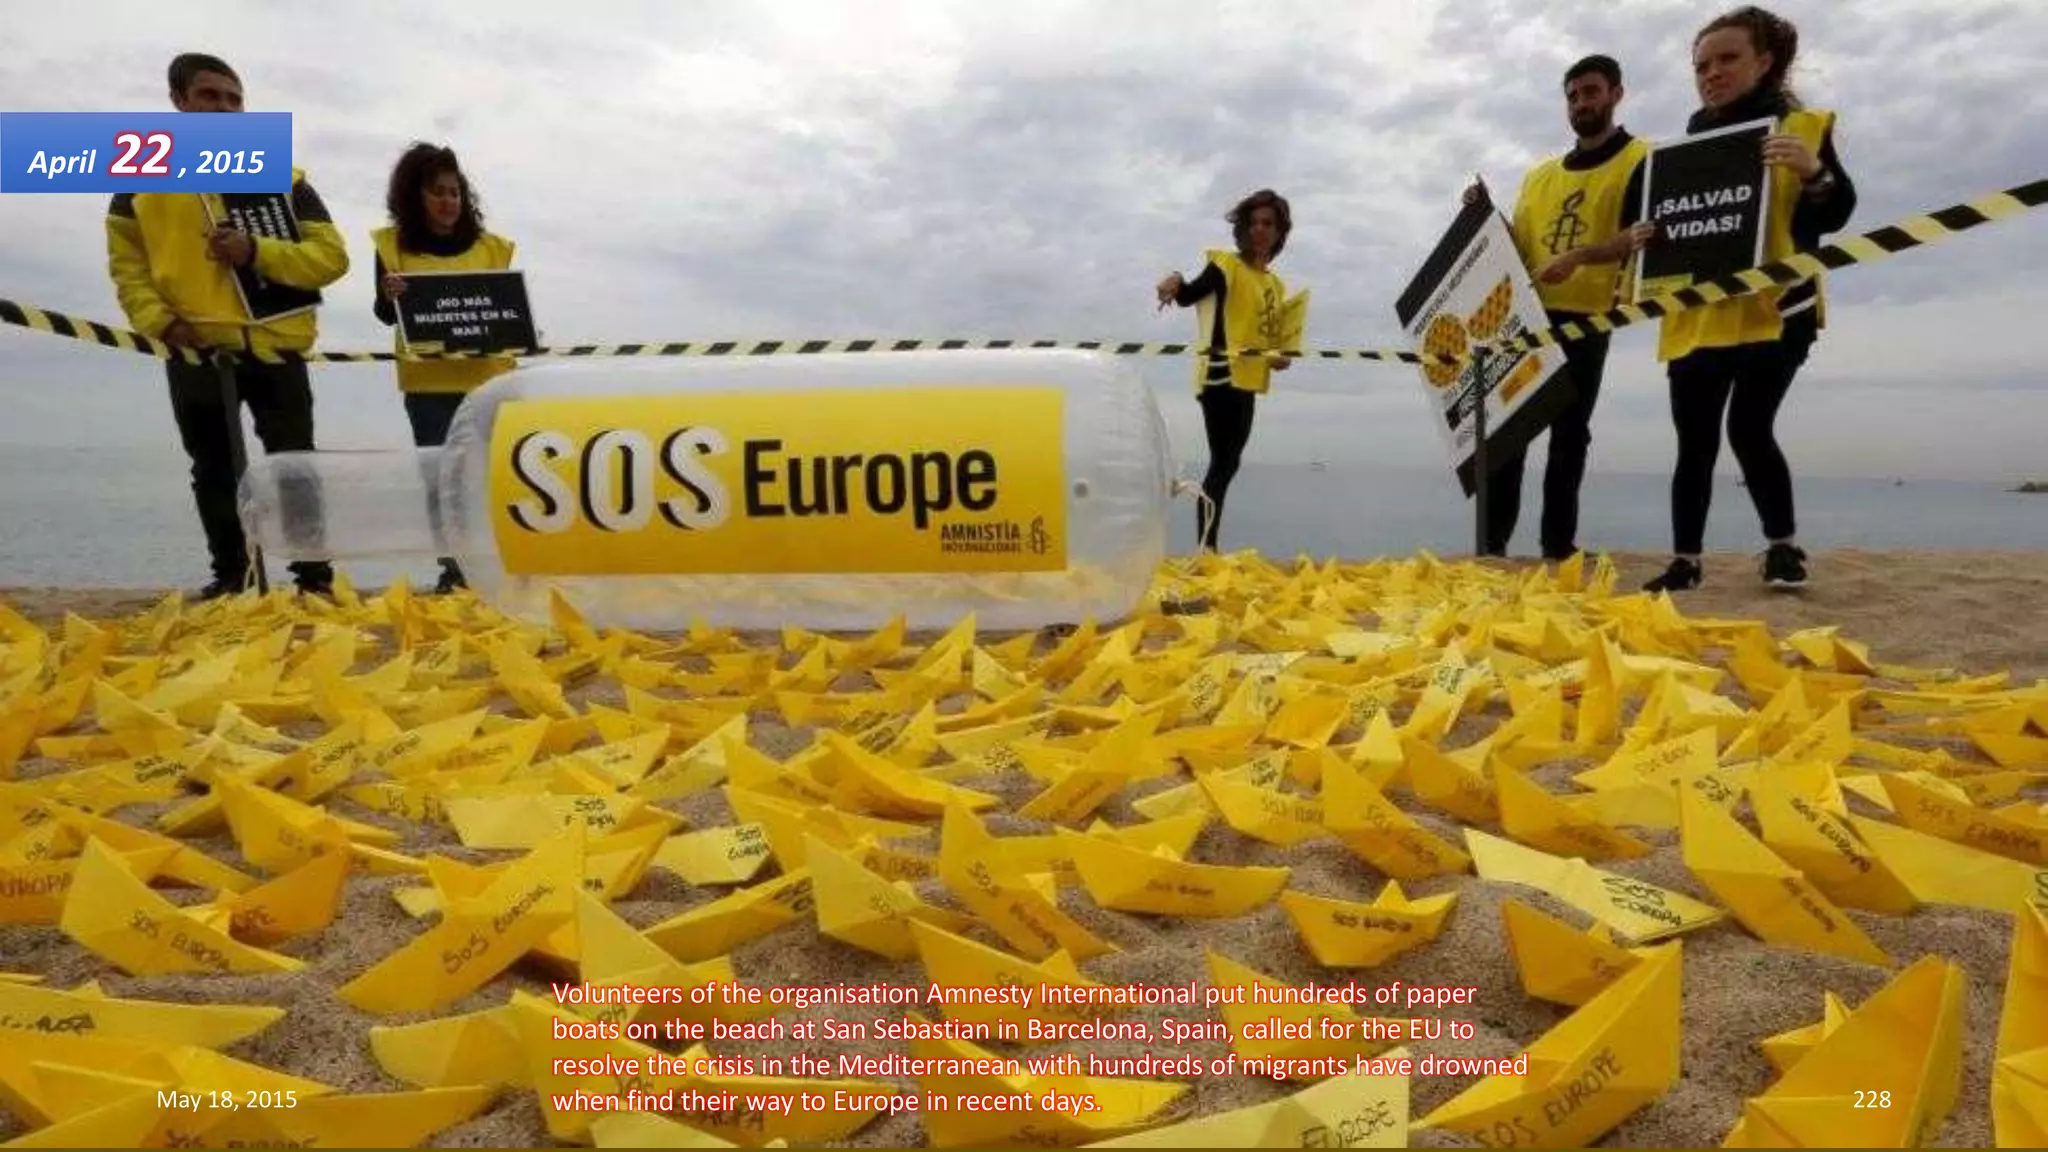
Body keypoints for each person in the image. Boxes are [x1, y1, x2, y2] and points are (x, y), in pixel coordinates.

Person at [105, 52, 349, 601]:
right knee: (212, 469)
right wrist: (159, 321)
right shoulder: (136, 182)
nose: (224, 107)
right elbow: (128, 266)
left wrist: (255, 250)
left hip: (277, 345)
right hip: (194, 350)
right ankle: (231, 577)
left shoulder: (285, 176)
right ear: (178, 101)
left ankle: (315, 580)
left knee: (296, 467)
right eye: (210, 96)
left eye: (234, 99)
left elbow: (331, 258)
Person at [1630, 5, 1856, 592]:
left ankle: (1782, 548)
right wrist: (1642, 237)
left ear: (1765, 61)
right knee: (1694, 441)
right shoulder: (1675, 158)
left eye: (1727, 58)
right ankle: (1685, 561)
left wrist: (1814, 173)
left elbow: (1834, 213)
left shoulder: (1800, 131)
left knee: (1750, 428)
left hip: (1776, 312)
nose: (1712, 73)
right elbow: (1651, 226)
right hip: (1697, 319)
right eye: (1701, 64)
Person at [1466, 55, 1654, 561]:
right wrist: (1486, 217)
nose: (1581, 104)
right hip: (1528, 318)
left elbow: (1643, 235)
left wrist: (1581, 257)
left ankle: (1557, 545)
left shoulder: (1643, 160)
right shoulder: (1539, 176)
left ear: (1616, 93)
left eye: (1591, 92)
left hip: (1590, 316)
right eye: (1572, 96)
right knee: (1509, 434)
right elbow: (1521, 250)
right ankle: (1492, 546)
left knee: (1571, 436)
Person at [371, 142, 517, 594]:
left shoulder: (492, 247)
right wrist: (389, 294)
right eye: (437, 192)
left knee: (494, 476)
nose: (448, 201)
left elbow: (508, 309)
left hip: (490, 383)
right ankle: (455, 570)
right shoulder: (391, 246)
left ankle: (505, 560)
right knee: (441, 481)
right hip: (428, 385)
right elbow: (382, 312)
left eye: (455, 192)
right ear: (414, 196)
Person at [1154, 189, 1303, 553]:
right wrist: (1174, 278)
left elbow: (1261, 336)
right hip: (1219, 376)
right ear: (1243, 228)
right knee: (1222, 463)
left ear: (1281, 230)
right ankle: (1207, 549)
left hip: (1248, 380)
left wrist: (1277, 356)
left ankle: (1209, 545)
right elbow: (1189, 295)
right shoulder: (1225, 265)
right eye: (1253, 223)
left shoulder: (1273, 284)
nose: (1259, 230)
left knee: (1229, 463)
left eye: (1268, 223)